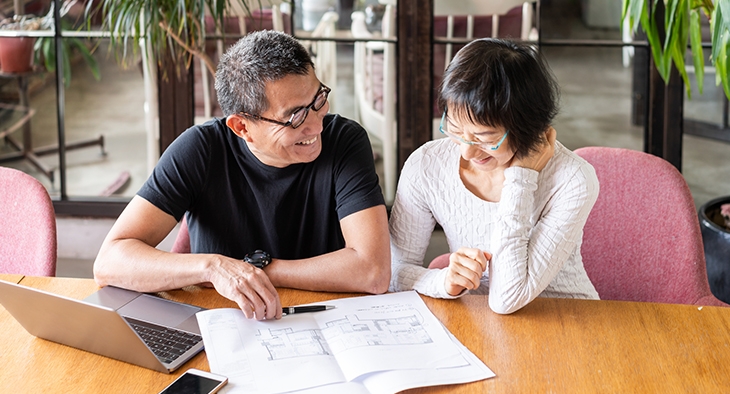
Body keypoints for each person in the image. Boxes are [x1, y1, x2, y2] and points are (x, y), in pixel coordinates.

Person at [94, 30, 390, 320]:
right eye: (296, 116)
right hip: (223, 322)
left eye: (318, 100)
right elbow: (110, 262)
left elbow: (373, 271)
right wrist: (211, 267)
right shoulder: (201, 149)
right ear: (242, 127)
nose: (316, 126)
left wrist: (256, 270)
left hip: (322, 319)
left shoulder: (345, 142)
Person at [388, 38, 600, 314]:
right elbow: (392, 273)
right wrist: (444, 281)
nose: (466, 152)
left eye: (485, 138)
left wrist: (522, 177)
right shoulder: (427, 165)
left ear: (528, 126)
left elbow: (506, 299)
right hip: (482, 324)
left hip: (568, 322)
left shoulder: (573, 180)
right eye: (454, 128)